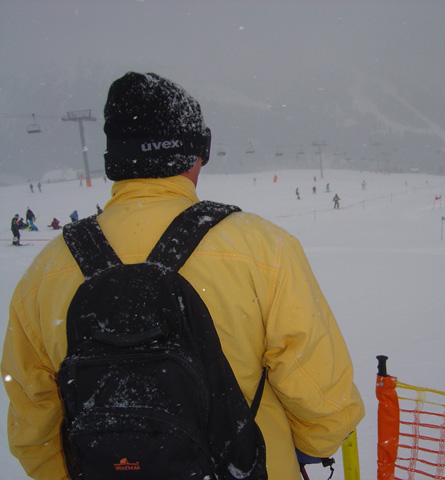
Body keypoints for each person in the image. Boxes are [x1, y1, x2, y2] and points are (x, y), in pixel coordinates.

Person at [1, 71, 364, 480]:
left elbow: (34, 427)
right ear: (196, 153)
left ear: (114, 161)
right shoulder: (264, 248)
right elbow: (325, 401)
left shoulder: (45, 271)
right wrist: (309, 446)